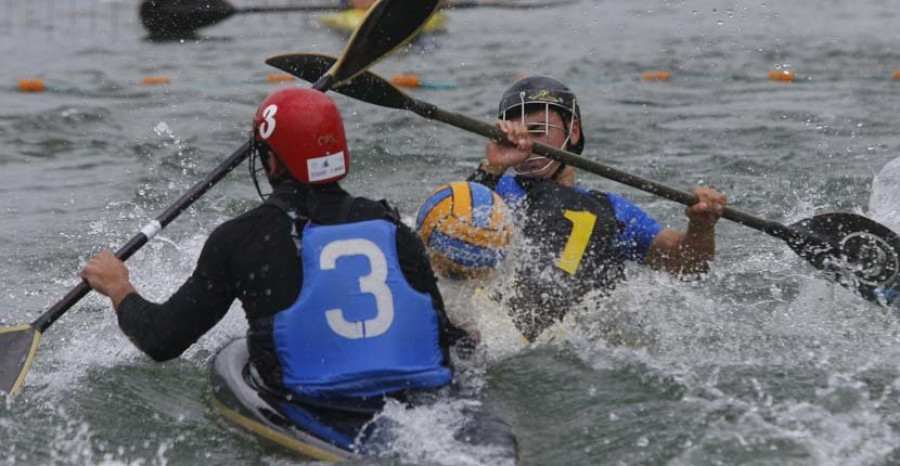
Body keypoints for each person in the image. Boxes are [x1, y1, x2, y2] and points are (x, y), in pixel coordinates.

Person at [79, 88, 473, 453]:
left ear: (271, 160)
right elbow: (448, 338)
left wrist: (118, 286)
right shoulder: (393, 228)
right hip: (415, 409)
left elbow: (161, 339)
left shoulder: (240, 239)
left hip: (312, 404)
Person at [467, 75, 727, 341]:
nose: (527, 146)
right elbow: (445, 240)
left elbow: (688, 266)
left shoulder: (611, 209)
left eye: (537, 131)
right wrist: (492, 168)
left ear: (573, 131)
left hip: (574, 341)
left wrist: (701, 226)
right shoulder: (492, 192)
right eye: (515, 137)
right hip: (496, 331)